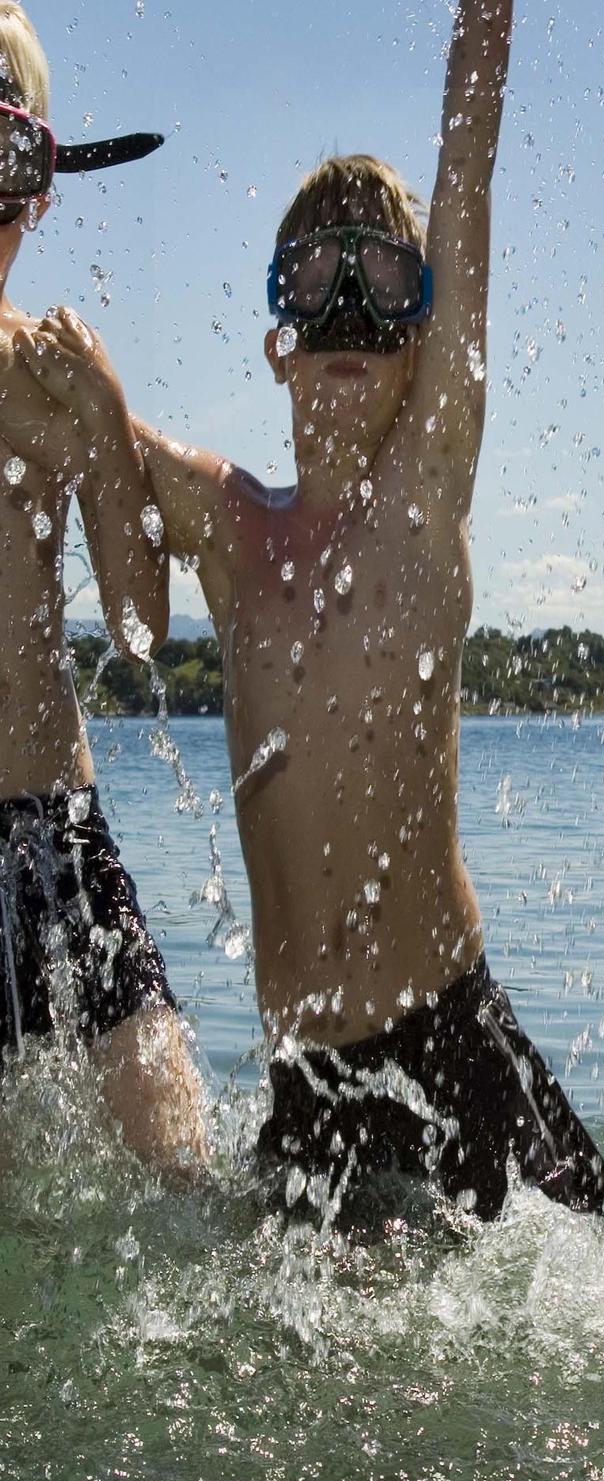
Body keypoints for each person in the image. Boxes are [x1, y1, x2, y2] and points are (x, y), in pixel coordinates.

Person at [16, 0, 604, 1228]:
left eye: (385, 280)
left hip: (452, 1030)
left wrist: (482, 40)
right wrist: (99, 398)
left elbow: (468, 167)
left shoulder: (424, 497)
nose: (350, 306)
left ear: (423, 340)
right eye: (317, 278)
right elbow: (105, 480)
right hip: (308, 1078)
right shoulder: (226, 525)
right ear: (275, 343)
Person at [0, 3, 206, 1176]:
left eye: (4, 160)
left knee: (180, 1174)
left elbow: (139, 629)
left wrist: (104, 416)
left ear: (42, 187)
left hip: (57, 835)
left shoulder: (55, 377)